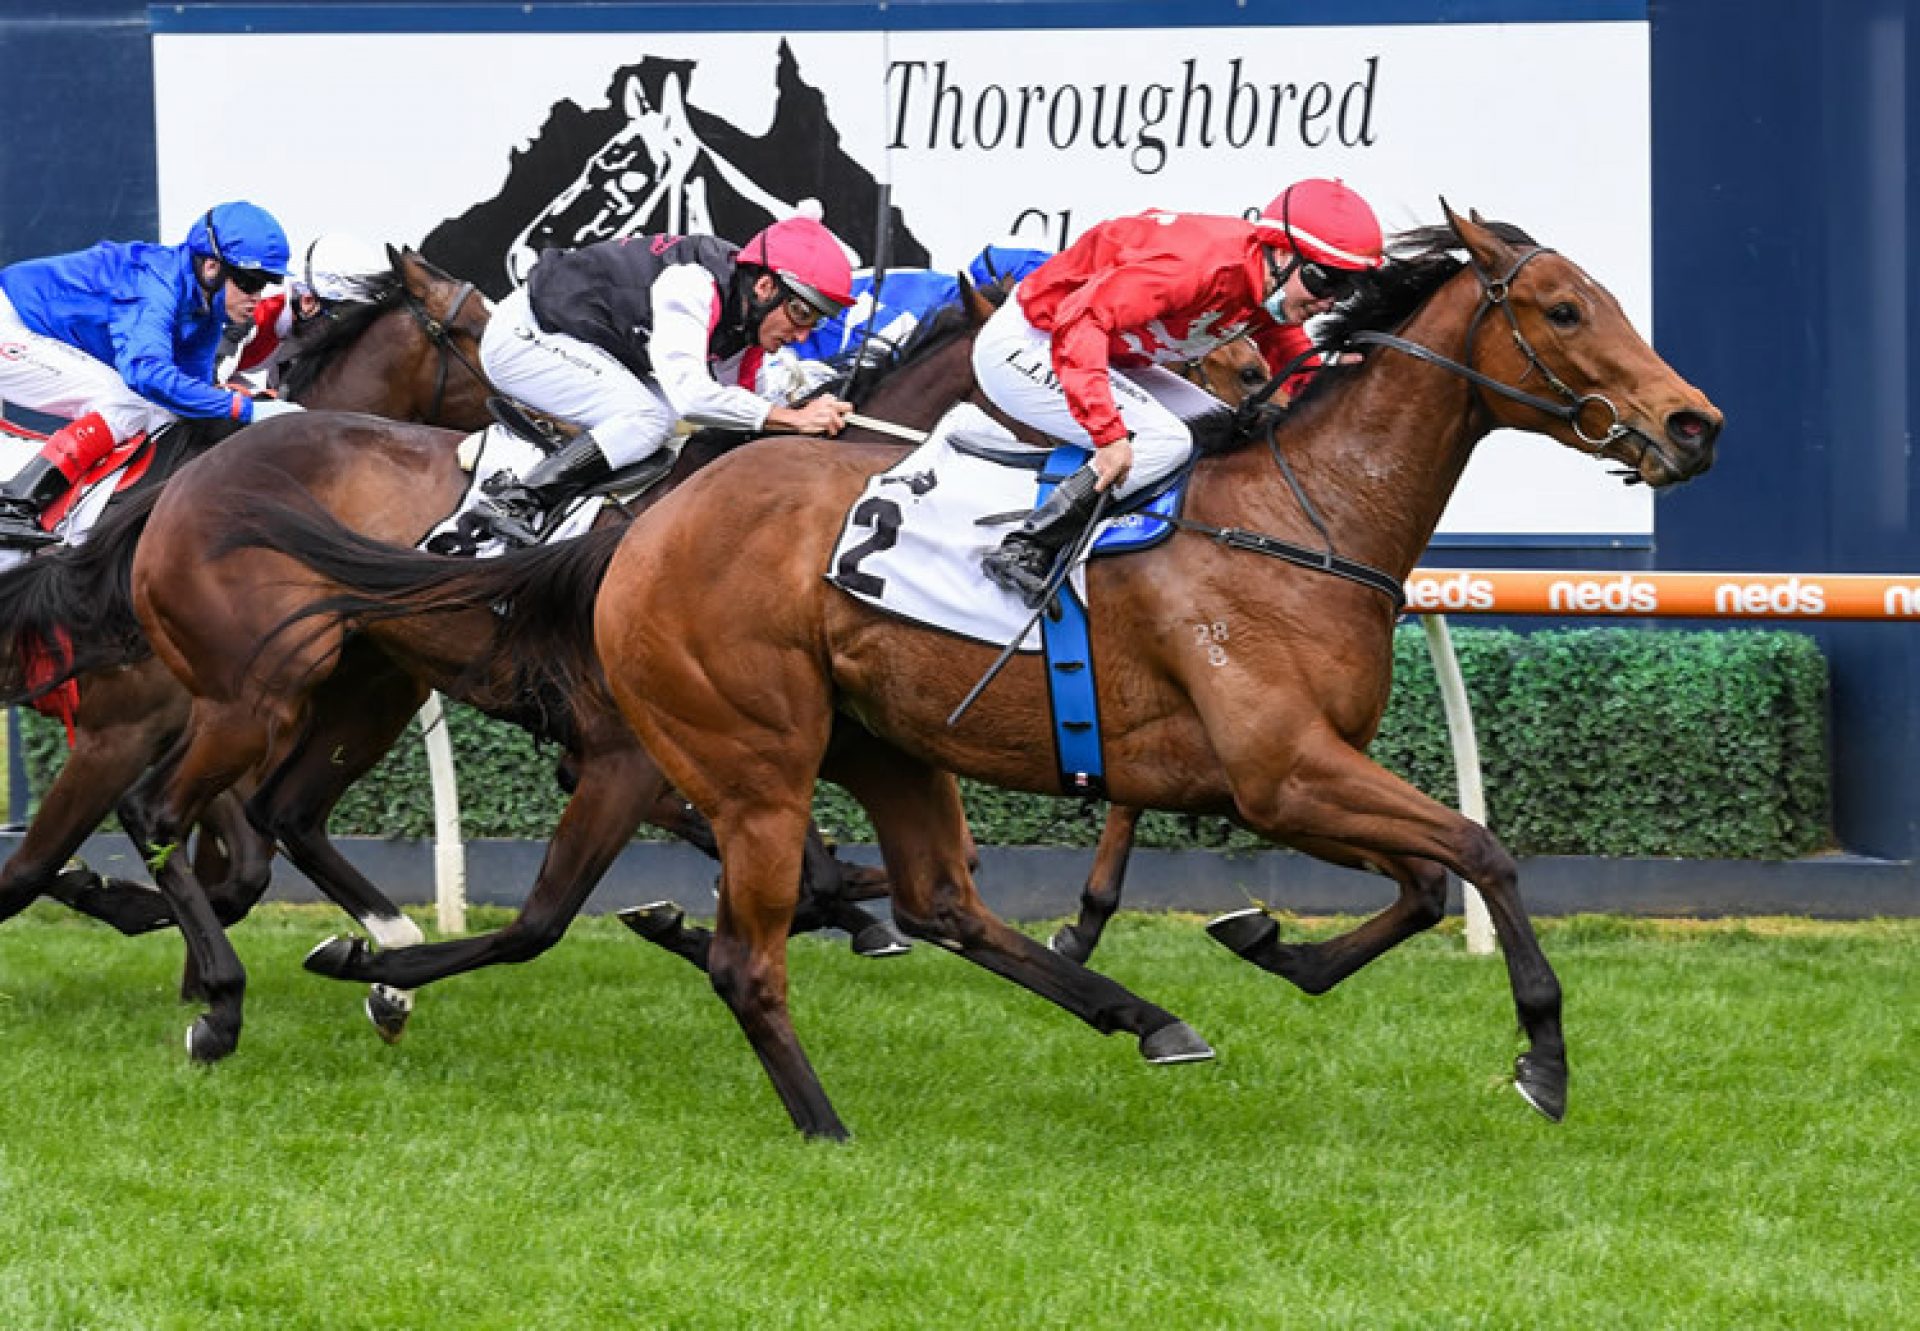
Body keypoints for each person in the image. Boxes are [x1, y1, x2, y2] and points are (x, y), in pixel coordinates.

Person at [971, 178, 1385, 605]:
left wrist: (1333, 394)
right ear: (1280, 253)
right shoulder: (1195, 268)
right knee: (1163, 442)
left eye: (1345, 289)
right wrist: (1109, 435)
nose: (1329, 301)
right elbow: (1080, 323)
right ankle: (1027, 546)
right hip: (1033, 341)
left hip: (1110, 354)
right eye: (1324, 281)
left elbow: (1290, 352)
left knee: (1228, 429)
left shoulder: (1268, 284)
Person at [470, 205, 858, 548]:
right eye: (801, 313)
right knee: (647, 419)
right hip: (527, 335)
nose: (803, 335)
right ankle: (515, 500)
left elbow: (738, 404)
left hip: (584, 339)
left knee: (672, 421)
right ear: (765, 286)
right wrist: (794, 418)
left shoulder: (746, 315)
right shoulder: (691, 284)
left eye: (816, 321)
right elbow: (694, 396)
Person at [0, 201, 301, 547]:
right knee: (122, 399)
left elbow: (187, 398)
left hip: (33, 332)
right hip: (8, 323)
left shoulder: (206, 312)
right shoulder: (155, 283)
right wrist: (245, 409)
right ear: (211, 267)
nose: (257, 298)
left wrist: (237, 408)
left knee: (163, 415)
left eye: (265, 284)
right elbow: (146, 373)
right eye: (249, 282)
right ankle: (16, 503)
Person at [228, 232, 392, 389]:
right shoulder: (255, 311)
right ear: (308, 302)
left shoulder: (298, 326)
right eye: (341, 317)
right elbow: (208, 388)